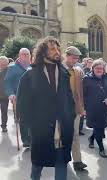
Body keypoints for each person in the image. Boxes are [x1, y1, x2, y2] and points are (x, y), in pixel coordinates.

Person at [16, 36, 76, 180]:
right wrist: (32, 126)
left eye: (57, 48)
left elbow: (69, 98)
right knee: (38, 164)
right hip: (41, 129)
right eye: (52, 48)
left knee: (61, 163)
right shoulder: (30, 75)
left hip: (62, 127)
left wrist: (70, 116)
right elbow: (22, 105)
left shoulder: (64, 73)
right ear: (43, 52)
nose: (57, 51)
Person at [63, 46, 88, 171]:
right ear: (66, 56)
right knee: (61, 137)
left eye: (77, 59)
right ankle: (62, 160)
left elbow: (80, 92)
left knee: (75, 135)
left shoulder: (77, 71)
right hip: (61, 110)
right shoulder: (58, 69)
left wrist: (82, 107)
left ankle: (77, 161)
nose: (75, 61)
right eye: (73, 58)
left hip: (75, 109)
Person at [83, 59, 107, 158]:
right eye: (97, 68)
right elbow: (83, 94)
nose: (99, 70)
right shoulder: (87, 79)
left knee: (101, 127)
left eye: (101, 68)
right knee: (98, 127)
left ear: (104, 69)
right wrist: (84, 108)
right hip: (92, 108)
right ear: (93, 68)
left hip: (103, 108)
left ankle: (91, 139)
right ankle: (101, 149)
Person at [5, 48, 31, 147]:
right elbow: (8, 83)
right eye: (23, 54)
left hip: (33, 98)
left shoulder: (33, 67)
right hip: (19, 98)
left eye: (27, 54)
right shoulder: (12, 68)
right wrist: (10, 94)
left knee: (33, 118)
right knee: (23, 119)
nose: (25, 56)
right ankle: (26, 140)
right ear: (19, 56)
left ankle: (32, 137)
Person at [0, 56, 9, 132]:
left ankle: (4, 126)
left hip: (4, 96)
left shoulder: (9, 71)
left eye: (5, 64)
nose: (4, 66)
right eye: (2, 64)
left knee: (4, 111)